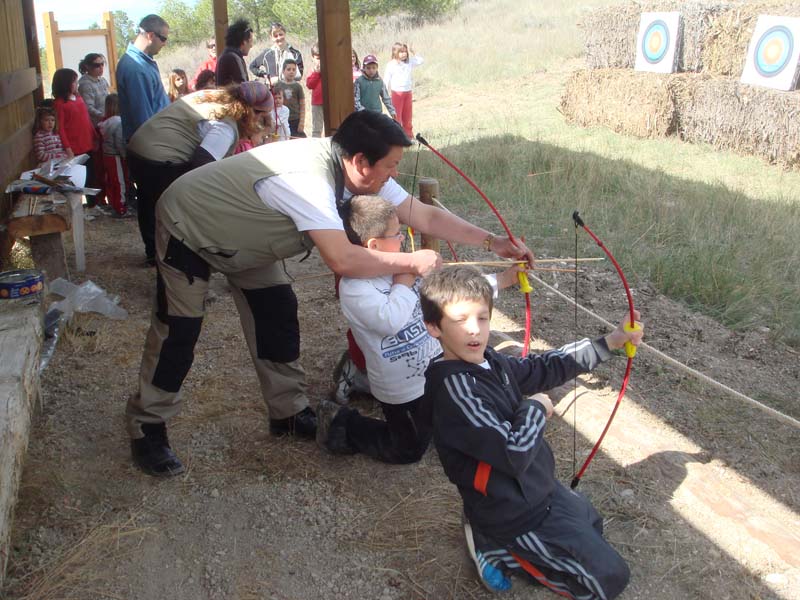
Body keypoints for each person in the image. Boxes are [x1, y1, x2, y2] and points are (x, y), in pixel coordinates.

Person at [125, 110, 533, 478]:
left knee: (277, 313)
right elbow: (342, 259)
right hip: (191, 226)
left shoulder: (357, 168)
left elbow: (421, 214)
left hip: (247, 241)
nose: (393, 175)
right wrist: (410, 264)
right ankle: (148, 426)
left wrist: (493, 241)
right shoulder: (309, 181)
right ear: (361, 162)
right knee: (179, 330)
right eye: (390, 166)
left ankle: (287, 413)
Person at [420, 265, 641, 599]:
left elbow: (544, 367)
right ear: (434, 327)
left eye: (482, 317)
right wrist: (535, 407)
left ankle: (499, 540)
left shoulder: (489, 361)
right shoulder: (456, 390)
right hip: (513, 513)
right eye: (460, 319)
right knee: (609, 580)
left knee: (592, 523)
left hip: (538, 488)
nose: (474, 329)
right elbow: (513, 453)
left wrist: (611, 341)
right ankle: (496, 548)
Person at [316, 196, 521, 463]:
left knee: (447, 417)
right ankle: (340, 422)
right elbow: (391, 321)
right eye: (396, 234)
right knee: (407, 449)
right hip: (400, 389)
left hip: (434, 371)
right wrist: (405, 277)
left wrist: (504, 279)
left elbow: (452, 296)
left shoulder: (404, 267)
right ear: (374, 245)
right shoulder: (354, 287)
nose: (402, 239)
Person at [127, 81, 273, 266]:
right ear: (251, 111)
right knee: (177, 212)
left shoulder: (211, 97)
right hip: (161, 160)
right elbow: (203, 164)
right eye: (260, 115)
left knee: (148, 201)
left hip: (138, 149)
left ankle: (153, 253)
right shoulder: (226, 126)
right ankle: (176, 262)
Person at [116, 14, 170, 142]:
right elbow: (143, 121)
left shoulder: (143, 62)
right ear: (150, 36)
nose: (165, 44)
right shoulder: (135, 68)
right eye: (163, 39)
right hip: (151, 144)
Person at [51, 68, 98, 203]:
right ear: (65, 83)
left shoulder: (78, 97)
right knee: (80, 178)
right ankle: (84, 204)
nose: (77, 84)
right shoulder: (59, 104)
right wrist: (68, 149)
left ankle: (94, 203)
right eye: (74, 81)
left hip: (87, 143)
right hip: (75, 148)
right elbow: (60, 128)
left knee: (92, 175)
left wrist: (94, 135)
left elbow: (86, 118)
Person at [98, 93, 131, 217]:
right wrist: (124, 155)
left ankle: (113, 203)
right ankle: (121, 207)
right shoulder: (118, 122)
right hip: (116, 156)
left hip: (107, 155)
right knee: (120, 182)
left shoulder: (105, 123)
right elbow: (119, 141)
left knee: (111, 181)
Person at [384, 43, 424, 137]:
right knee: (397, 116)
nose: (404, 54)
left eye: (405, 51)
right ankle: (397, 137)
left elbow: (421, 60)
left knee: (407, 116)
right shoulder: (391, 64)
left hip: (408, 93)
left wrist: (414, 51)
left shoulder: (409, 62)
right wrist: (384, 94)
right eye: (401, 52)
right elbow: (386, 80)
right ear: (395, 52)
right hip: (397, 93)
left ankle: (409, 136)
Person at [354, 55, 395, 119]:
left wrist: (392, 111)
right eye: (368, 68)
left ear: (377, 68)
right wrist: (362, 111)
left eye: (373, 68)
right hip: (363, 114)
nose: (371, 70)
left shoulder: (380, 81)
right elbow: (356, 99)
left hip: (377, 113)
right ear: (364, 68)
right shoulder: (359, 81)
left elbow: (386, 98)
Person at [216, 19, 254, 86]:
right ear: (244, 41)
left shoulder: (226, 55)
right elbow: (243, 87)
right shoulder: (234, 58)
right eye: (251, 41)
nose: (251, 45)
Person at [273, 59, 305, 138]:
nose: (291, 72)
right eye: (288, 69)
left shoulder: (298, 87)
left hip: (295, 119)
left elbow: (302, 105)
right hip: (281, 119)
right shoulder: (278, 85)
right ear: (283, 71)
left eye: (294, 70)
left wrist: (301, 123)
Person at [77, 53, 110, 126]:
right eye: (97, 65)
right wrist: (104, 116)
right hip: (96, 124)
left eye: (102, 64)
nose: (101, 67)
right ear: (87, 66)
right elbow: (88, 107)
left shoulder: (103, 80)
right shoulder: (85, 84)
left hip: (107, 121)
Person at [305, 43, 324, 138]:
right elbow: (310, 85)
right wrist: (317, 73)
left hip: (330, 102)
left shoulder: (331, 70)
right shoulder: (313, 71)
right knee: (317, 128)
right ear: (313, 58)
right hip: (317, 103)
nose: (320, 61)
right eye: (318, 58)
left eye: (322, 58)